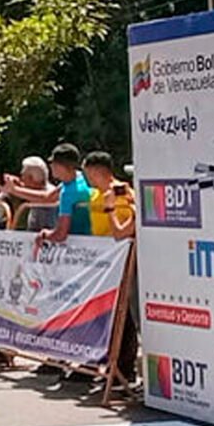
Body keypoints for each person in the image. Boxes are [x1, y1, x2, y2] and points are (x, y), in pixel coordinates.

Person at [82, 151, 139, 384]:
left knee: (124, 317)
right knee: (110, 315)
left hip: (122, 259)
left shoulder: (123, 195)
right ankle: (110, 364)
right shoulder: (96, 194)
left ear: (97, 171)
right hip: (104, 261)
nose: (87, 178)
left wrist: (111, 208)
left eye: (89, 173)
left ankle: (125, 369)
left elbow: (120, 232)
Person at [35, 143, 92, 246]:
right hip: (94, 239)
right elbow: (47, 197)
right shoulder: (79, 177)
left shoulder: (68, 193)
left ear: (62, 166)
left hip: (81, 244)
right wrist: (15, 189)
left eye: (53, 163)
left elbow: (61, 235)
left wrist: (44, 235)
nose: (51, 166)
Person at [3, 157, 58, 232]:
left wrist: (14, 190)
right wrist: (17, 184)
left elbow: (44, 197)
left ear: (31, 178)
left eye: (23, 176)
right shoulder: (39, 190)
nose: (21, 179)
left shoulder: (52, 192)